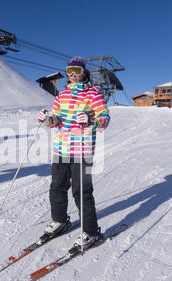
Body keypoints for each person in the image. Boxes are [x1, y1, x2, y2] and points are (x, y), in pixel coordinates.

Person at [37, 57, 110, 252]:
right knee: (57, 187)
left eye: (77, 70)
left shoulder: (93, 94)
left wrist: (90, 119)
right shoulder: (62, 96)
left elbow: (104, 118)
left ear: (84, 71)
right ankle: (59, 220)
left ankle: (91, 232)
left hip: (82, 151)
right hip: (61, 149)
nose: (73, 74)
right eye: (69, 71)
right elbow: (57, 119)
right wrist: (47, 120)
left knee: (82, 192)